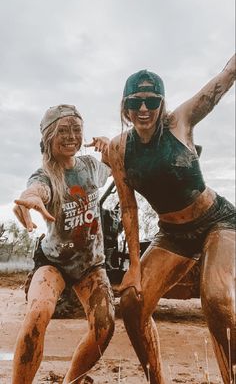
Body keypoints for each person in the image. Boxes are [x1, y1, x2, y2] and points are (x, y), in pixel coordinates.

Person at [109, 55, 236, 384]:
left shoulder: (180, 122)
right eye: (135, 102)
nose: (143, 109)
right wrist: (134, 266)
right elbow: (128, 208)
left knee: (218, 298)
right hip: (172, 236)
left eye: (151, 101)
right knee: (131, 304)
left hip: (216, 222)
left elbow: (222, 80)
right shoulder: (119, 149)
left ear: (161, 103)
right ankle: (156, 380)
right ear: (125, 106)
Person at [13, 104, 115, 384]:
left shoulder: (91, 167)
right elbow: (37, 188)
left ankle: (72, 380)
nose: (71, 136)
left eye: (76, 130)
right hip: (53, 263)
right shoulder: (45, 173)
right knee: (37, 314)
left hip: (91, 265)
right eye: (63, 130)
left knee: (104, 327)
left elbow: (116, 162)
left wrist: (110, 147)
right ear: (48, 137)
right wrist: (32, 197)